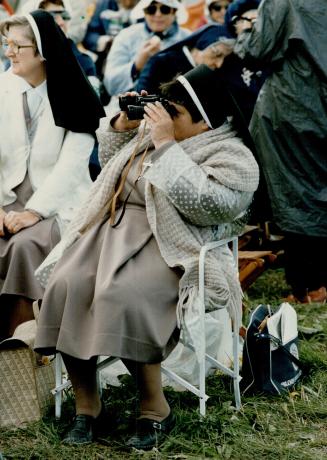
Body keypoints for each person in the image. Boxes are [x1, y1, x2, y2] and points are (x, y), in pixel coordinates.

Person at [34, 64, 259, 450]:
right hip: (108, 231)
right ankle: (88, 407)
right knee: (64, 286)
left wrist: (168, 145)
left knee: (124, 294)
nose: (162, 119)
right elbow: (110, 161)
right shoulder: (152, 131)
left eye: (174, 113)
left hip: (172, 244)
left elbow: (207, 205)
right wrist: (121, 126)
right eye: (163, 109)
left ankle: (154, 408)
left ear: (204, 121)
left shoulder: (233, 156)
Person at [0, 10, 105, 340]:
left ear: (42, 50)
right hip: (7, 200)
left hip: (58, 206)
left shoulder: (75, 93)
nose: (8, 52)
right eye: (7, 44)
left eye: (17, 46)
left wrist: (34, 211)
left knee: (23, 246)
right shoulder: (3, 88)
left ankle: (19, 350)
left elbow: (72, 167)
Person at [235, 0, 327, 303]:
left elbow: (257, 50)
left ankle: (310, 286)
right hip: (315, 106)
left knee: (298, 196)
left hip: (295, 108)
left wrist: (244, 31)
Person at [103, 0, 189, 97]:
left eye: (165, 9)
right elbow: (110, 85)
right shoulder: (126, 36)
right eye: (151, 9)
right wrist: (136, 66)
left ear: (174, 11)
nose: (158, 14)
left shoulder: (188, 39)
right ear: (144, 11)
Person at [136, 24, 232, 94]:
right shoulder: (160, 63)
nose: (219, 64)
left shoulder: (214, 75)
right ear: (201, 45)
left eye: (225, 58)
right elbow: (143, 96)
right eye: (217, 55)